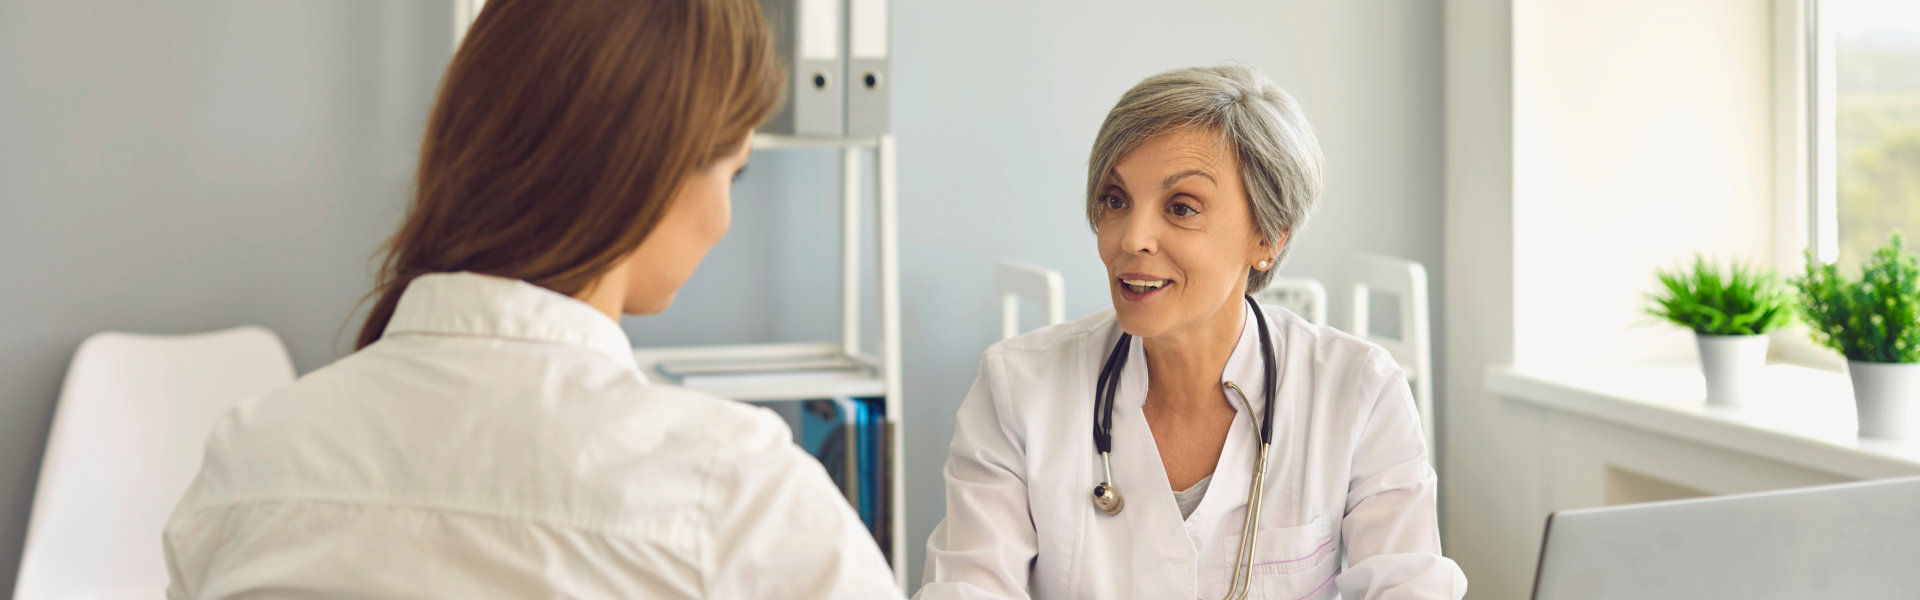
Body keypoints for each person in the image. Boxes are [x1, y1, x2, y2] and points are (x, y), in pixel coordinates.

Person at [161, 1, 901, 597]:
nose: (726, 220)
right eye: (732, 176)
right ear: (653, 170)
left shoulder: (248, 460)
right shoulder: (734, 490)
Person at [916, 65, 1466, 599]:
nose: (1133, 238)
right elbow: (969, 586)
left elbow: (1408, 586)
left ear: (1267, 239)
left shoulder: (1358, 392)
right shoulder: (1020, 388)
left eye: (1181, 208)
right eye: (1115, 200)